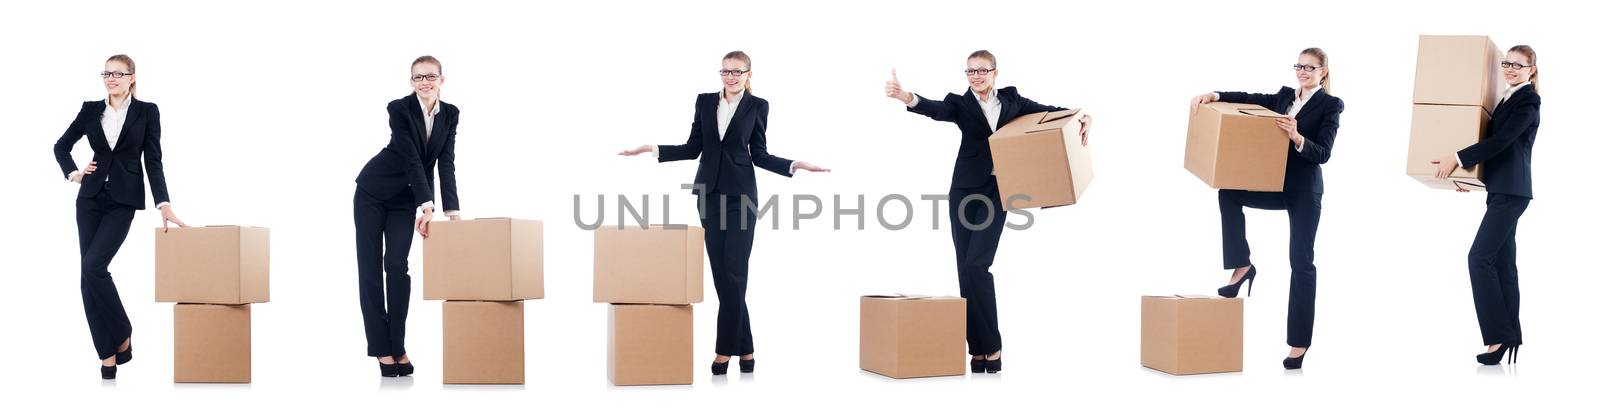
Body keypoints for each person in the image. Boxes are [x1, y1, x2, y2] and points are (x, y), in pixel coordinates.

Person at [619, 51, 829, 375]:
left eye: (736, 72)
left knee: (735, 273)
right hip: (708, 195)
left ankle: (723, 351)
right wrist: (652, 150)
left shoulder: (758, 106)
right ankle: (747, 351)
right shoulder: (704, 102)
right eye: (725, 71)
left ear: (748, 74)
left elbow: (758, 153)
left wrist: (793, 165)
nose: (730, 77)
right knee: (722, 276)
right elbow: (693, 148)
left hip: (742, 197)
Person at [52, 54, 189, 379]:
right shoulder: (90, 109)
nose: (110, 78)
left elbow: (153, 160)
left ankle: (123, 332)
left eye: (118, 73)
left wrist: (164, 203)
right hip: (89, 200)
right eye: (106, 73)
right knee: (89, 275)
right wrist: (74, 173)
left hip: (123, 201)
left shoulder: (146, 112)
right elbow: (61, 146)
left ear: (132, 77)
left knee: (93, 267)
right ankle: (108, 355)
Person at [353, 55, 462, 377]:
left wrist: (452, 214)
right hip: (373, 192)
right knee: (370, 269)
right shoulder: (399, 109)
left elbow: (446, 163)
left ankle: (397, 345)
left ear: (442, 79)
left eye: (430, 76)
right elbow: (412, 156)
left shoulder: (451, 114)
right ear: (411, 81)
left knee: (397, 266)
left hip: (405, 200)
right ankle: (381, 349)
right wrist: (426, 204)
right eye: (418, 78)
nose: (424, 83)